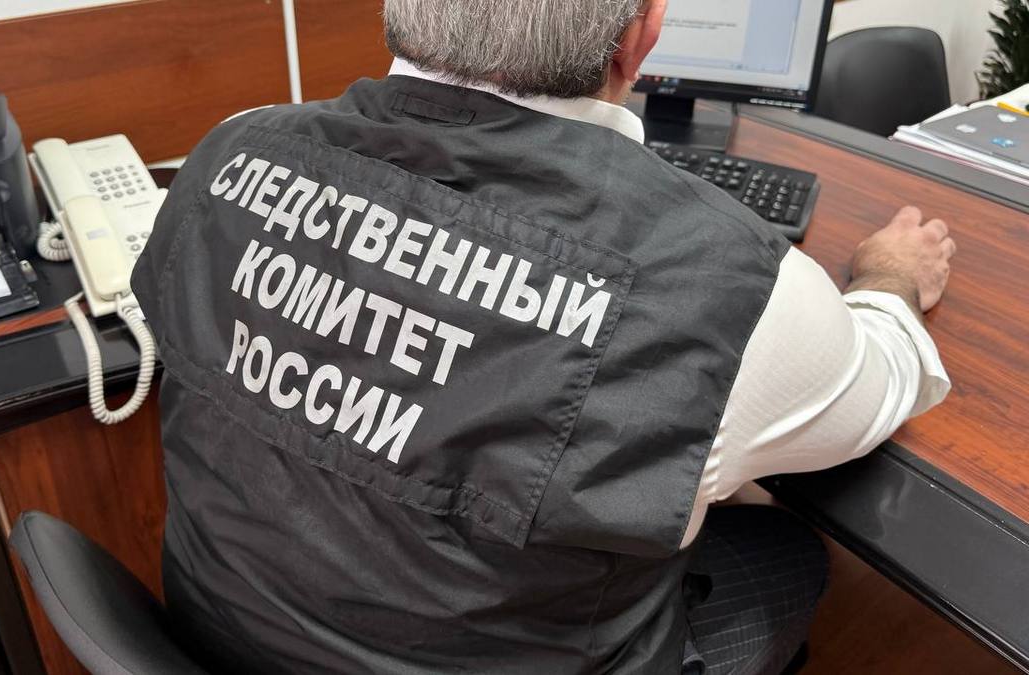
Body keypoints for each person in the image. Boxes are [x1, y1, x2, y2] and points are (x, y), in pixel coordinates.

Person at [130, 0, 955, 672]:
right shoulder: (726, 283)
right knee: (789, 548)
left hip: (222, 634)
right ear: (641, 35)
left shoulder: (227, 153)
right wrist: (887, 276)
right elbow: (881, 384)